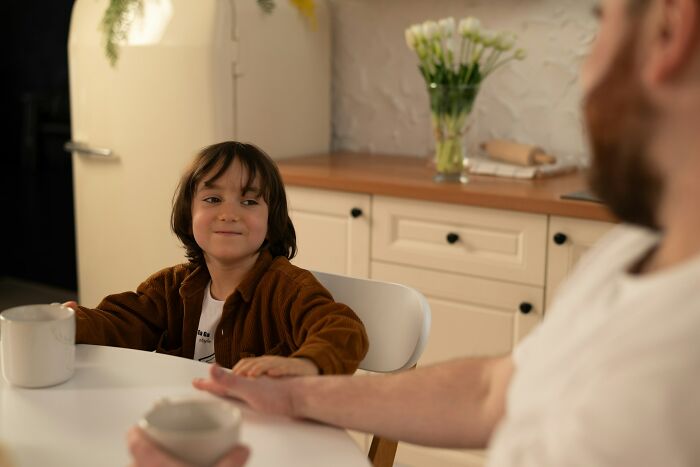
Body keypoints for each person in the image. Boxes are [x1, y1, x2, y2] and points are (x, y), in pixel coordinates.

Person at [129, 0, 700, 465]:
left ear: (671, 28)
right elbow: (496, 391)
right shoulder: (630, 249)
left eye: (600, 23)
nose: (585, 69)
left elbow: (340, 330)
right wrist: (297, 393)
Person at [69, 141, 368, 377]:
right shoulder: (170, 288)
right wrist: (71, 322)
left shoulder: (288, 289)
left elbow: (343, 329)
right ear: (188, 216)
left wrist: (307, 364)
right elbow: (120, 323)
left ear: (271, 221)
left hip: (268, 436)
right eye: (212, 199)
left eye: (249, 201)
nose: (229, 214)